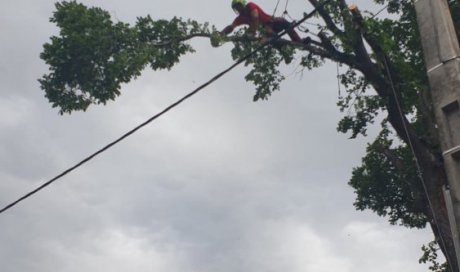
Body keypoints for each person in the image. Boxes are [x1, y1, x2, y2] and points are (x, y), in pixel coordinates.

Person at [220, 0, 306, 43]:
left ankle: (299, 41)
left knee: (286, 24)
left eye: (238, 6)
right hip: (267, 29)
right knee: (269, 38)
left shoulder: (250, 6)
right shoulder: (240, 18)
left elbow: (255, 18)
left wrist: (254, 33)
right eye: (236, 8)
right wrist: (221, 34)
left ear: (242, 4)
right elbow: (231, 27)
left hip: (273, 22)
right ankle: (280, 46)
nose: (238, 9)